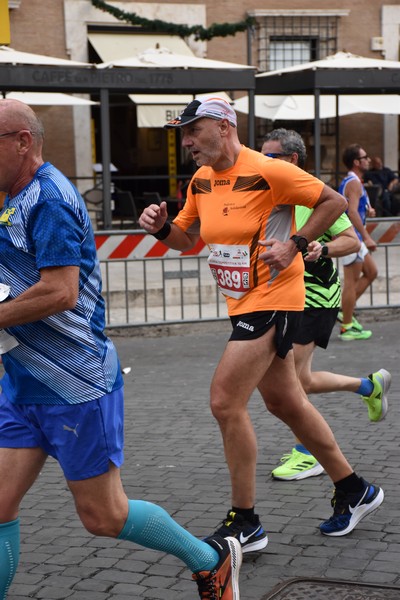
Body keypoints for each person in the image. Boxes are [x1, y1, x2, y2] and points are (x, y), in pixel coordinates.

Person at [0, 99, 242, 600]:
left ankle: (210, 559)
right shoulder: (9, 196)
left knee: (103, 517)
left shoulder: (50, 199)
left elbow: (61, 291)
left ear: (22, 141)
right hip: (21, 380)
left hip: (75, 383)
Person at [139, 96, 384, 541]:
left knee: (224, 401)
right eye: (184, 133)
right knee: (285, 402)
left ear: (225, 126)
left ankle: (245, 521)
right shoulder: (201, 181)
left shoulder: (268, 169)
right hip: (242, 301)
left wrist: (295, 242)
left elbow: (332, 203)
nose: (187, 141)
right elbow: (187, 238)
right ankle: (355, 489)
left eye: (194, 130)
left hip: (274, 297)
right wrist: (159, 226)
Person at [261, 129, 391, 481]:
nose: (262, 163)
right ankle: (369, 386)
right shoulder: (265, 193)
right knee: (300, 379)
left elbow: (350, 240)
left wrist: (323, 248)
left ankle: (308, 453)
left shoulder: (313, 195)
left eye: (270, 157)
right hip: (279, 297)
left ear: (291, 160)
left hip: (315, 296)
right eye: (261, 156)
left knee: (291, 383)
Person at [337, 144, 378, 341]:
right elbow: (351, 212)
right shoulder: (353, 182)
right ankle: (347, 325)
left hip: (354, 238)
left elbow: (355, 208)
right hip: (351, 238)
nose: (368, 160)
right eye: (365, 156)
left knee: (372, 272)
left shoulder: (354, 182)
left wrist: (367, 211)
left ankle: (346, 310)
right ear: (356, 162)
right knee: (351, 283)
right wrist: (367, 236)